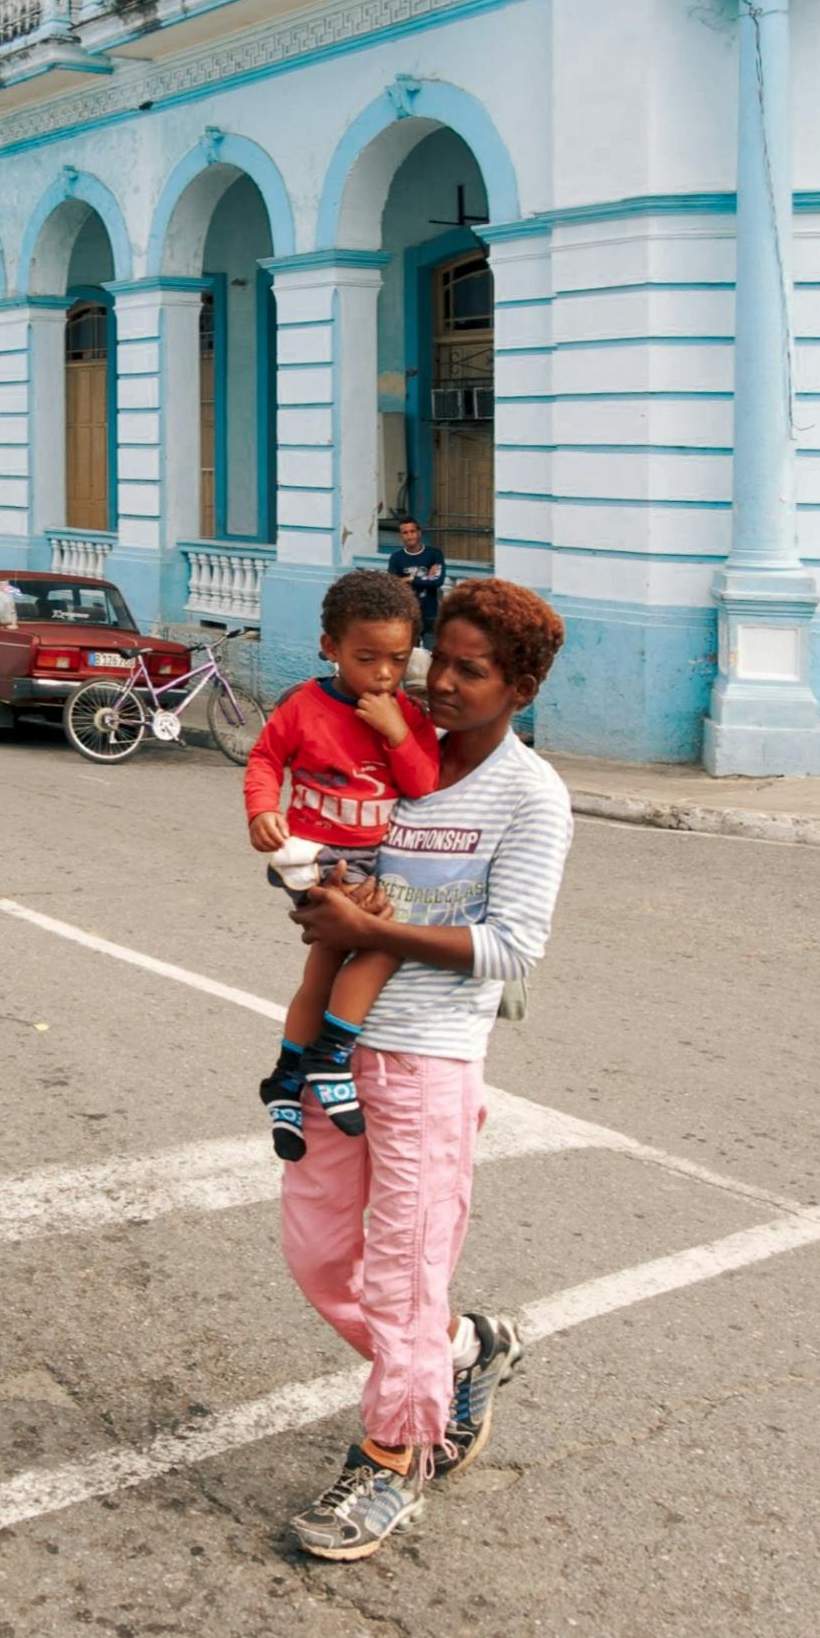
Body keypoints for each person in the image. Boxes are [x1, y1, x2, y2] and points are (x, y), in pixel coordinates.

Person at [276, 579, 571, 1564]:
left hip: (430, 1061)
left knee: (403, 1276)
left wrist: (374, 927)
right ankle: (462, 1352)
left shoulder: (531, 796)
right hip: (337, 1047)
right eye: (436, 657)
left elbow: (513, 945)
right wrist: (321, 887)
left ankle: (395, 1456)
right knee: (320, 1258)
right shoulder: (391, 755)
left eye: (468, 669)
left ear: (518, 685)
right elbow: (345, 849)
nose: (437, 680)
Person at [244, 570, 442, 1160]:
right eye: (366, 658)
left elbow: (422, 782)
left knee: (325, 963)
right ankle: (331, 1057)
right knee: (383, 942)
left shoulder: (407, 714)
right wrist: (261, 811)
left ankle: (285, 1078)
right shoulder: (304, 706)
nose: (383, 673)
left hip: (372, 859)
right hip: (313, 857)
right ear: (330, 648)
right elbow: (264, 759)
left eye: (398, 660)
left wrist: (396, 733)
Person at [384, 518, 448, 639]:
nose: (409, 536)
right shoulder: (396, 558)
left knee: (432, 653)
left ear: (419, 532)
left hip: (430, 612)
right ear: (400, 536)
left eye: (412, 531)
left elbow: (438, 581)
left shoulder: (434, 554)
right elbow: (392, 585)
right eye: (405, 533)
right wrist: (426, 577)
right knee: (410, 652)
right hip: (407, 613)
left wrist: (409, 579)